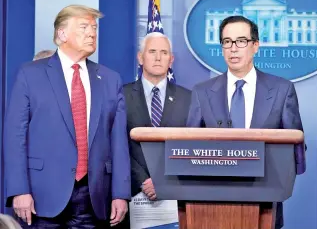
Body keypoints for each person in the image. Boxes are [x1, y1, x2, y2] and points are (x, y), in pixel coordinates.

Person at [4, 4, 131, 228]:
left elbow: (118, 142)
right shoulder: (30, 74)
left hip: (94, 197)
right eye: (84, 27)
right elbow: (15, 137)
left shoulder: (110, 80)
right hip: (41, 197)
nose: (92, 33)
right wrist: (19, 190)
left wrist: (121, 193)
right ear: (61, 34)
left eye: (94, 28)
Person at [186, 15, 305, 229]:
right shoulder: (201, 92)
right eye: (227, 42)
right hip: (210, 204)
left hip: (264, 202)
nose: (233, 48)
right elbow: (187, 149)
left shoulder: (282, 90)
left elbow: (296, 150)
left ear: (255, 46)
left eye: (241, 41)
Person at [120, 32, 191, 228]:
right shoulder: (120, 95)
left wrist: (163, 181)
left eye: (164, 52)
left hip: (175, 197)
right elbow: (116, 145)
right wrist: (143, 180)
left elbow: (192, 147)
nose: (158, 57)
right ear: (140, 57)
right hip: (131, 193)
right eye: (152, 52)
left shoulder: (190, 99)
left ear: (171, 60)